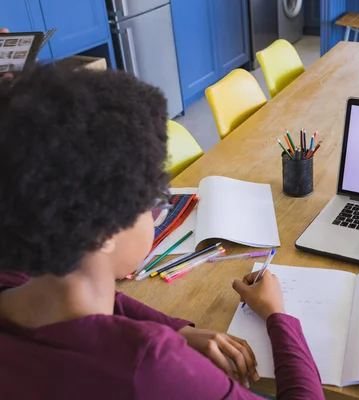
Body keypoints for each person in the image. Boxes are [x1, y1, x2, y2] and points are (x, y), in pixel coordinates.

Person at [0, 65, 325, 399]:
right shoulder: (149, 363)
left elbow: (90, 298)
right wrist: (277, 316)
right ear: (102, 233)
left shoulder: (16, 279)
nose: (157, 213)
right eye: (151, 202)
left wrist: (178, 330)